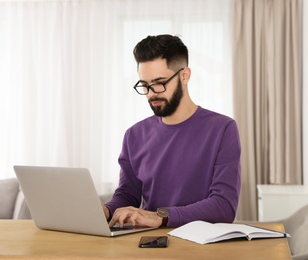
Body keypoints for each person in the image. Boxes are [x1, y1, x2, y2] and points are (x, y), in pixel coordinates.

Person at [102, 34, 241, 228]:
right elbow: (128, 196)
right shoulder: (133, 135)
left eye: (159, 83)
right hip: (148, 244)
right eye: (145, 85)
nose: (151, 93)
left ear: (184, 76)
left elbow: (224, 206)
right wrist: (106, 210)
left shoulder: (222, 129)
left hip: (200, 246)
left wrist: (160, 217)